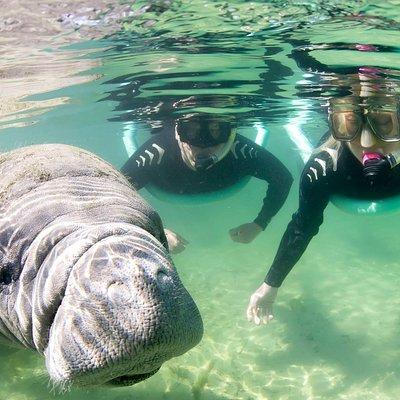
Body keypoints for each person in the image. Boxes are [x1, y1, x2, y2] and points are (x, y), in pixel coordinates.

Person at [247, 94, 400, 325]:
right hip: (338, 175)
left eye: (384, 122)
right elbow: (303, 225)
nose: (367, 143)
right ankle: (297, 132)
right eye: (349, 125)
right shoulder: (323, 168)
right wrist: (271, 284)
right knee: (308, 157)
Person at [122, 113, 293, 252]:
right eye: (191, 130)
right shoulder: (157, 152)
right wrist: (156, 232)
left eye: (216, 130)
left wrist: (259, 224)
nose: (202, 144)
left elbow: (282, 178)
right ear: (179, 132)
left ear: (230, 133)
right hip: (170, 185)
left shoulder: (240, 150)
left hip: (172, 186)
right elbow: (116, 192)